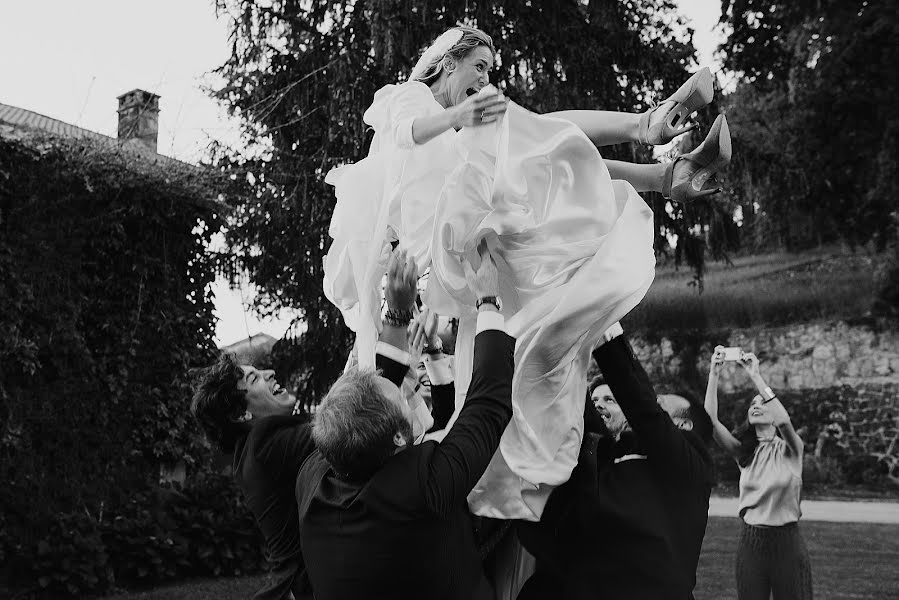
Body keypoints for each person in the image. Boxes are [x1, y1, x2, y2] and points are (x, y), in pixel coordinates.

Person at [323, 25, 731, 519]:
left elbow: (547, 145)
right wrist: (462, 113)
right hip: (435, 243)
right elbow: (406, 133)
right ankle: (647, 132)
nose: (485, 79)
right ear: (447, 62)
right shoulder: (410, 97)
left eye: (489, 72)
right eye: (479, 66)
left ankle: (664, 173)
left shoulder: (469, 137)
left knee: (544, 152)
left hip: (463, 246)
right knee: (529, 139)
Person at [189, 247, 428, 600]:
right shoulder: (265, 444)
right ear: (241, 414)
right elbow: (360, 420)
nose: (269, 373)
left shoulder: (255, 452)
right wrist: (396, 314)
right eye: (254, 379)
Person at [296, 243, 515, 600]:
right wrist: (489, 299)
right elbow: (489, 404)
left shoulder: (317, 476)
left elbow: (379, 391)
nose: (402, 382)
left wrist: (397, 314)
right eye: (398, 394)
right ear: (400, 437)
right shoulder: (418, 490)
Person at [516, 322, 715, 600]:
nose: (653, 404)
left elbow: (644, 409)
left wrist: (604, 318)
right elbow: (584, 418)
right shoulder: (616, 455)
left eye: (662, 405)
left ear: (683, 426)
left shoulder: (691, 470)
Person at [704, 348, 813, 600]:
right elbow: (709, 420)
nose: (756, 405)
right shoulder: (745, 453)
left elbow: (785, 422)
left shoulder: (791, 450)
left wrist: (755, 374)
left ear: (773, 416)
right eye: (752, 404)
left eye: (762, 403)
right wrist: (714, 372)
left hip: (787, 544)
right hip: (750, 544)